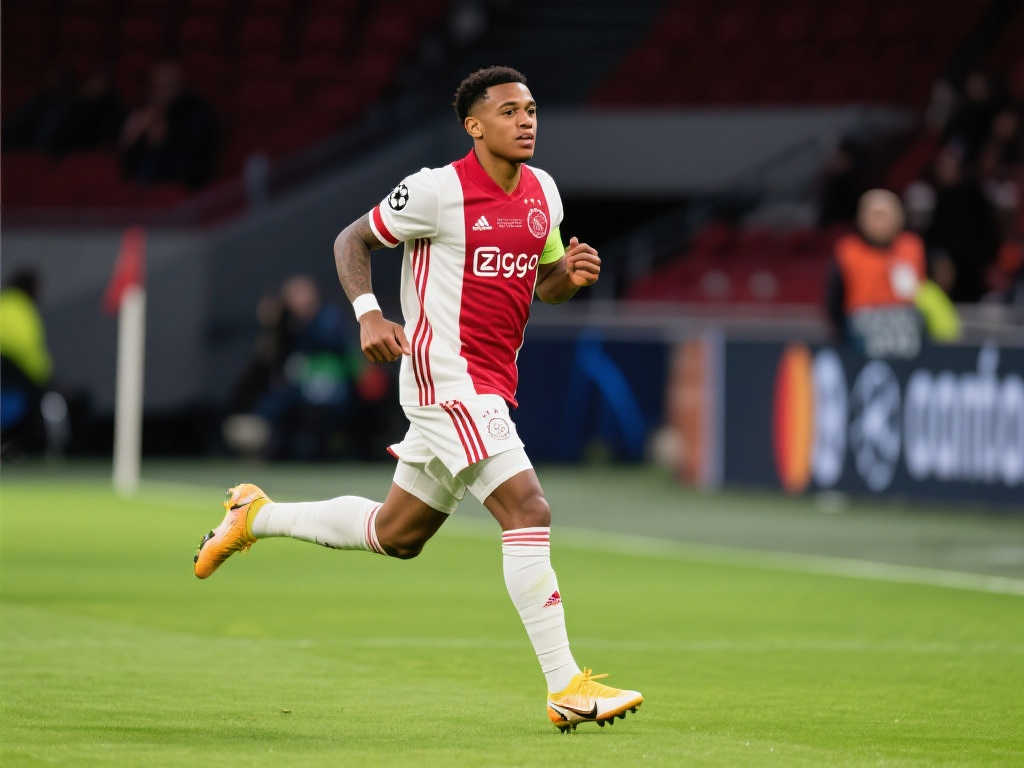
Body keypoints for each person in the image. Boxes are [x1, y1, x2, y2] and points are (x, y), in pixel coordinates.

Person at [193, 66, 643, 732]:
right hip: (445, 377)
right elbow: (351, 239)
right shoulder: (436, 191)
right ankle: (565, 686)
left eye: (531, 109)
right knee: (528, 508)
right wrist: (369, 314)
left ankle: (254, 515)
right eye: (509, 111)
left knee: (397, 534)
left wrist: (568, 277)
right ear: (474, 125)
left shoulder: (543, 193)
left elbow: (543, 282)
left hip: (491, 382)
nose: (526, 121)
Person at [826, 189, 957, 357]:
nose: (880, 222)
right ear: (861, 218)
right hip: (860, 342)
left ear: (899, 217)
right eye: (875, 215)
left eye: (885, 215)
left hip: (911, 345)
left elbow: (930, 294)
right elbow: (834, 302)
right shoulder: (847, 251)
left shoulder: (914, 248)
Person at [119, 60, 220, 188]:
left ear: (181, 86)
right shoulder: (142, 114)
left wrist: (160, 144)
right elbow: (129, 171)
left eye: (168, 86)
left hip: (181, 190)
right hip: (142, 190)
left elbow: (192, 170)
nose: (160, 93)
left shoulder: (198, 116)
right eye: (156, 86)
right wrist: (129, 141)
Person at [0, 269, 53, 457]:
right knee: (38, 394)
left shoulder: (3, 303)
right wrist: (47, 378)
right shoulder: (23, 310)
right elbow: (29, 352)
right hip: (13, 383)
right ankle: (23, 447)